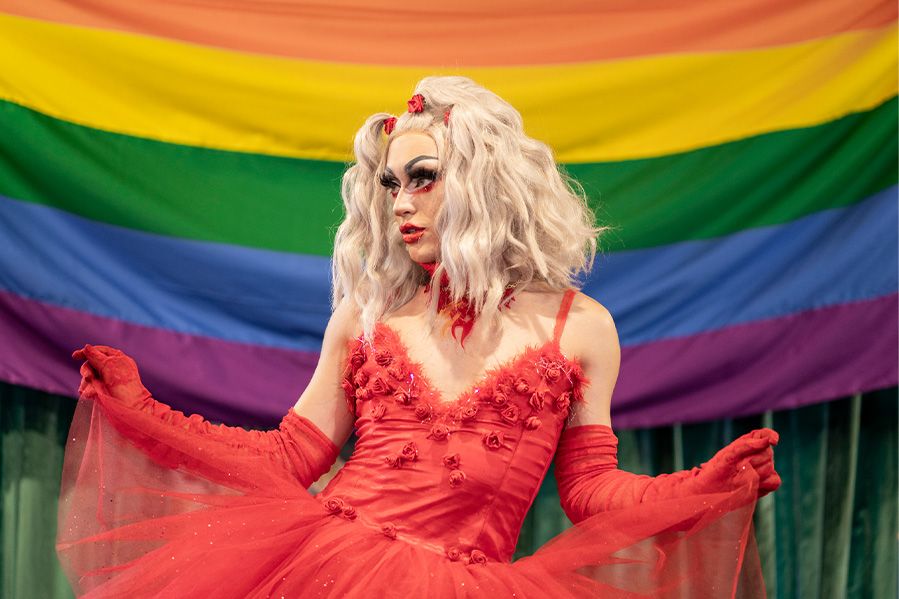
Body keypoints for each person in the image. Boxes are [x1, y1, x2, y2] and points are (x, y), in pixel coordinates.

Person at [58, 76, 780, 598]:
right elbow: (286, 455)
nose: (400, 202)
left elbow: (589, 488)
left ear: (484, 181)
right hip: (324, 569)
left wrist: (700, 484)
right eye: (389, 183)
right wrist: (141, 409)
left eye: (423, 178)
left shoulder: (580, 327)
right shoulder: (366, 319)